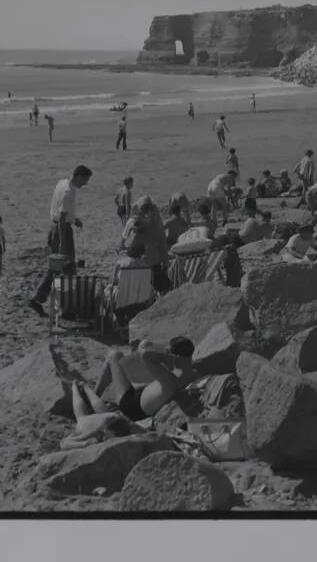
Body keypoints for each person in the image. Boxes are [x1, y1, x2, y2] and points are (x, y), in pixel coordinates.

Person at [75, 338, 197, 422]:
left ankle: (93, 395)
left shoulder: (170, 378)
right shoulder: (191, 374)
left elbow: (144, 354)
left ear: (173, 356)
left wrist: (167, 356)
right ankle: (94, 395)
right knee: (131, 360)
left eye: (168, 352)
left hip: (131, 405)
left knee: (114, 355)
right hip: (144, 396)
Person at [28, 165, 92, 318]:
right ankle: (66, 308)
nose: (85, 184)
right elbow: (62, 218)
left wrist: (73, 219)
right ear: (78, 176)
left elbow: (61, 212)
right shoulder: (69, 192)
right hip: (62, 231)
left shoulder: (62, 183)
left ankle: (38, 299)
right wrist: (64, 242)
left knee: (55, 268)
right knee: (68, 269)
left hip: (54, 228)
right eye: (85, 180)